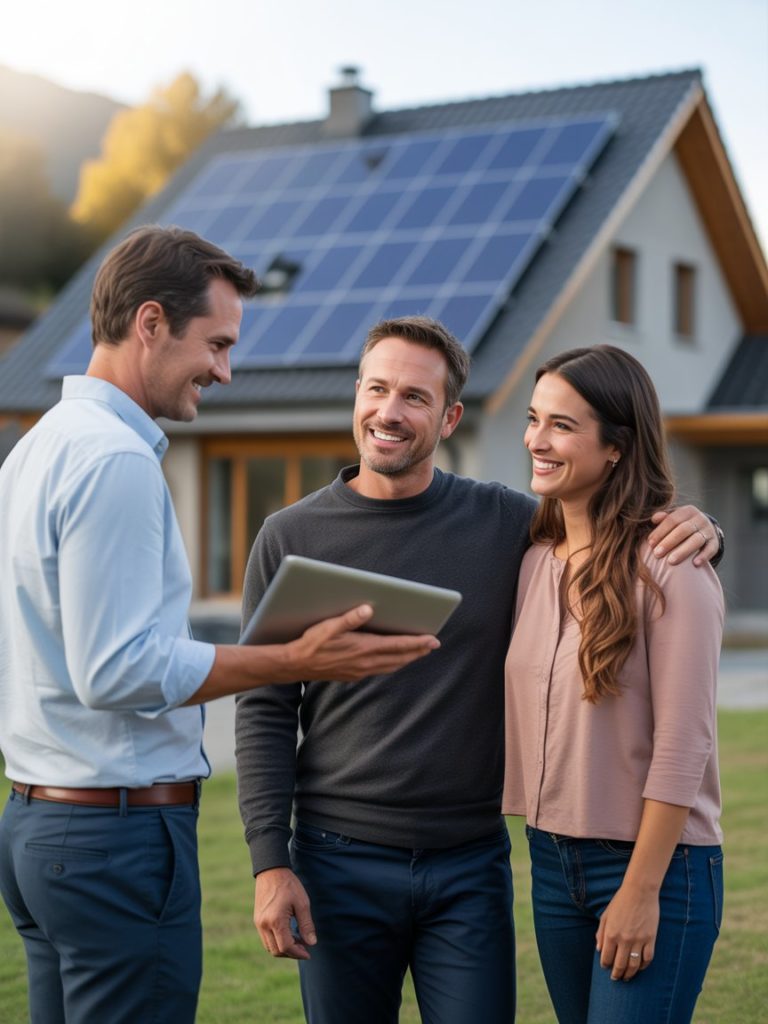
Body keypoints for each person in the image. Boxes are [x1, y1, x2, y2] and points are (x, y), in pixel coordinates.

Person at [0, 227, 439, 1024]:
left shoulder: (35, 450)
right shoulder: (116, 461)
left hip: (41, 829)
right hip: (114, 842)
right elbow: (117, 671)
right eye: (218, 343)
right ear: (151, 324)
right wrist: (292, 659)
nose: (225, 371)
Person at [235, 316, 720, 1024]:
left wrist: (704, 530)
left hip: (469, 864)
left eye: (414, 396)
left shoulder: (511, 528)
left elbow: (617, 531)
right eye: (376, 389)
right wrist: (268, 861)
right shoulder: (291, 538)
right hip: (336, 860)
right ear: (355, 395)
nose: (389, 412)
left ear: (450, 415)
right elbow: (265, 709)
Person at [503, 345, 723, 1024]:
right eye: (535, 418)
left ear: (618, 448)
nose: (537, 440)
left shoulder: (671, 567)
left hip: (655, 867)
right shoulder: (534, 560)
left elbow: (684, 745)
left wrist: (640, 889)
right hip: (549, 860)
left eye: (563, 426)